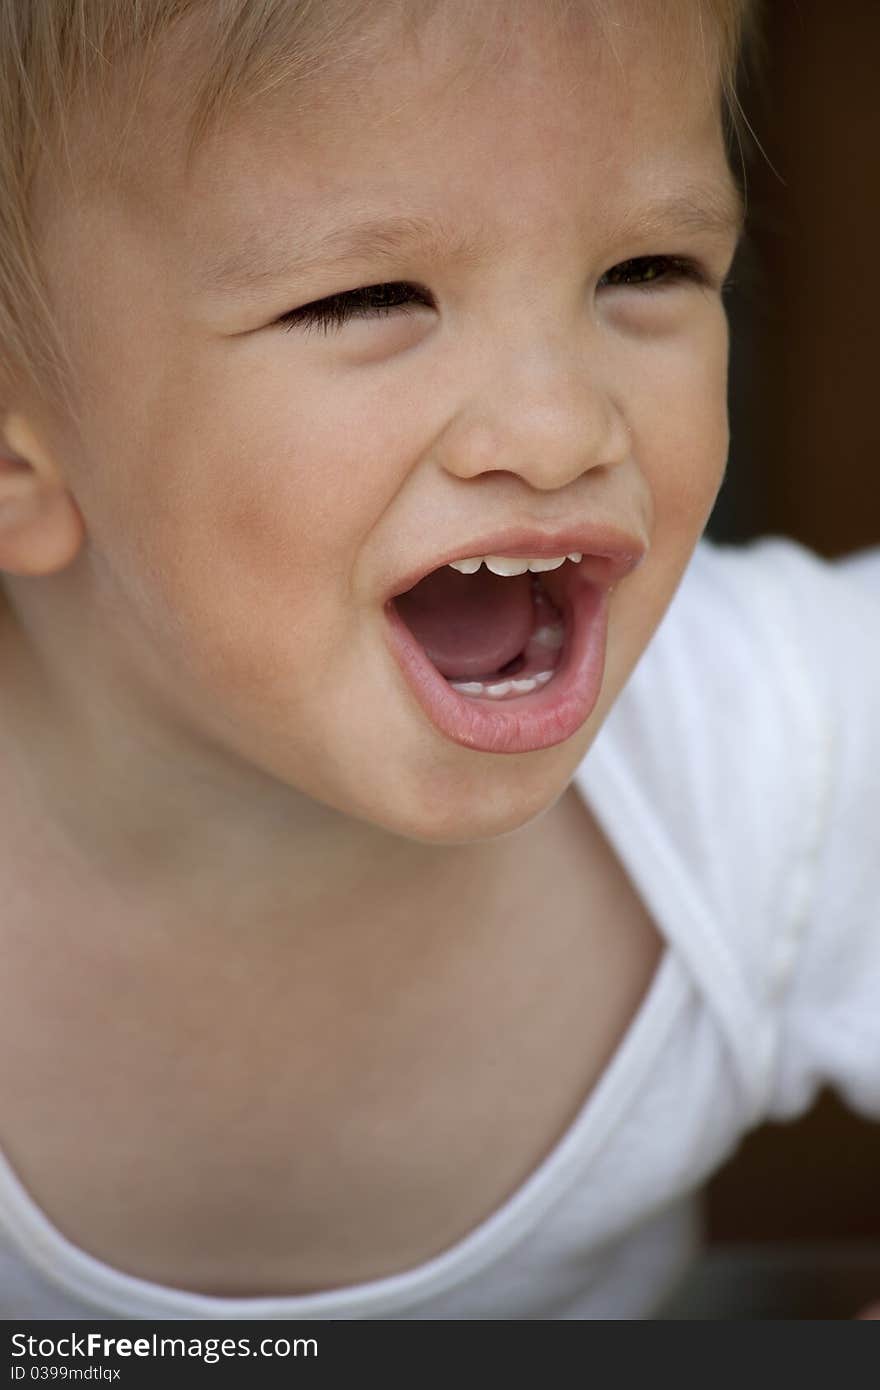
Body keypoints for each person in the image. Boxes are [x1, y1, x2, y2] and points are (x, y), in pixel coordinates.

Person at [0, 0, 876, 1321]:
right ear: (17, 457)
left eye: (649, 270)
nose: (559, 423)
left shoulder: (769, 752)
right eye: (369, 296)